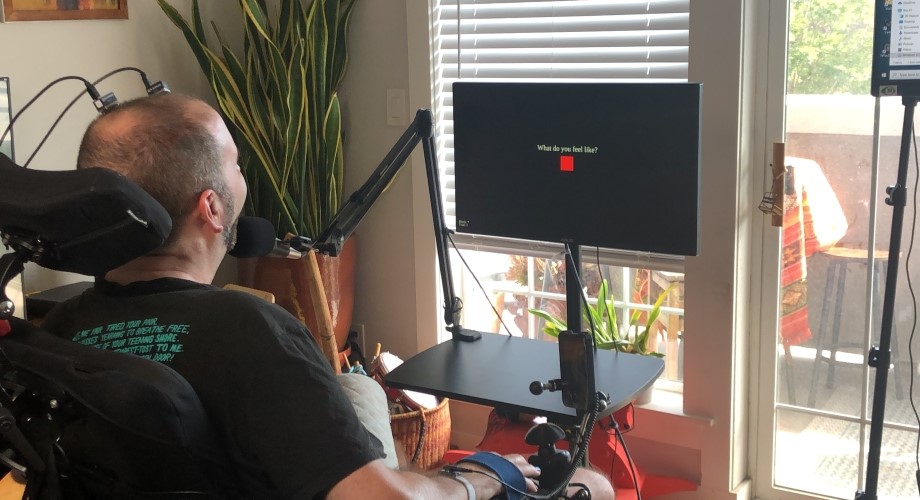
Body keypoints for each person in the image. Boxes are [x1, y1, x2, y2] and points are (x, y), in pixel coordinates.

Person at [41, 93, 615, 499]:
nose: (242, 177)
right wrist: (478, 477)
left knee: (357, 388)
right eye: (235, 164)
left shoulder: (58, 331)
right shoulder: (249, 331)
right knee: (590, 483)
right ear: (211, 208)